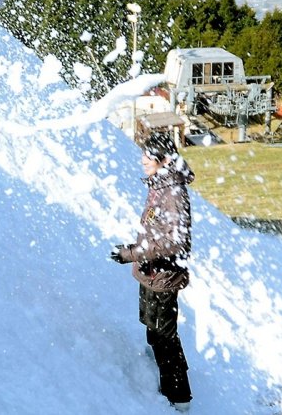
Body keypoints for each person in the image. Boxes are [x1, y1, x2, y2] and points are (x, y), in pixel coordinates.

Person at [110, 132, 194, 411]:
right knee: (153, 330)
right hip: (150, 273)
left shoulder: (174, 192)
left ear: (165, 159)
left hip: (163, 278)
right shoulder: (160, 184)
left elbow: (178, 241)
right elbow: (156, 233)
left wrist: (134, 253)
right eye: (144, 153)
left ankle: (179, 398)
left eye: (150, 154)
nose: (143, 159)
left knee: (164, 337)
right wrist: (136, 251)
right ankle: (160, 376)